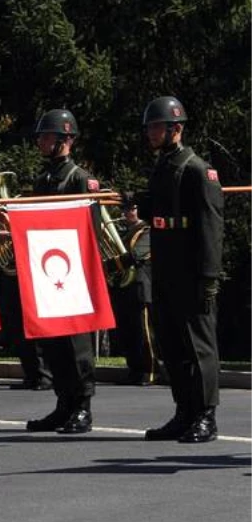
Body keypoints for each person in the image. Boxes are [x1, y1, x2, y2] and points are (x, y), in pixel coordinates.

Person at [141, 96, 224, 443]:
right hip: (165, 267)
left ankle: (205, 416)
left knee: (199, 345)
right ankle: (184, 411)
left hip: (191, 270)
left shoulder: (196, 169)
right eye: (149, 128)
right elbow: (159, 209)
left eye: (156, 127)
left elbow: (210, 226)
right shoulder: (163, 166)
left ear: (175, 129)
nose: (150, 133)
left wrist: (209, 276)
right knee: (172, 344)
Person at [25, 109, 99, 435]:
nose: (41, 141)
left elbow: (91, 227)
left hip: (73, 270)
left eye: (47, 136)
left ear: (65, 139)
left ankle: (82, 405)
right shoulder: (43, 180)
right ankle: (64, 403)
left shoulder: (80, 179)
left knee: (76, 344)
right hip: (47, 268)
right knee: (54, 342)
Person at [110, 196, 157, 386]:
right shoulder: (122, 233)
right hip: (123, 287)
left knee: (143, 333)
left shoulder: (147, 231)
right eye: (125, 209)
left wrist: (108, 265)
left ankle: (150, 371)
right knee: (126, 333)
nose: (128, 212)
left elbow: (136, 255)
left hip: (140, 287)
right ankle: (134, 369)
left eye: (132, 208)